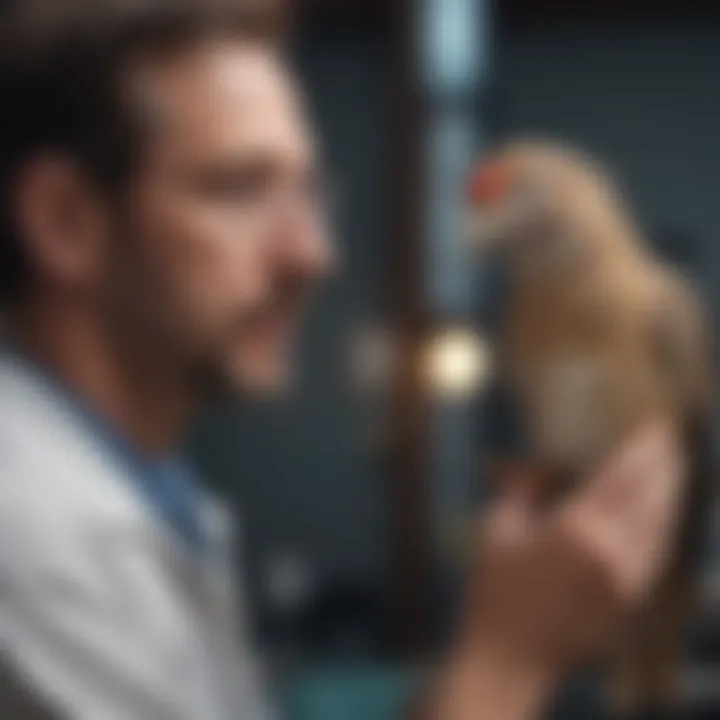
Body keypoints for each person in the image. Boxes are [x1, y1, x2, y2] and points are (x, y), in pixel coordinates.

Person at [0, 1, 685, 718]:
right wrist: (508, 662)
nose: (314, 254)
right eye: (239, 188)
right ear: (64, 220)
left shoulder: (150, 493)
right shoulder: (30, 544)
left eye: (309, 190)